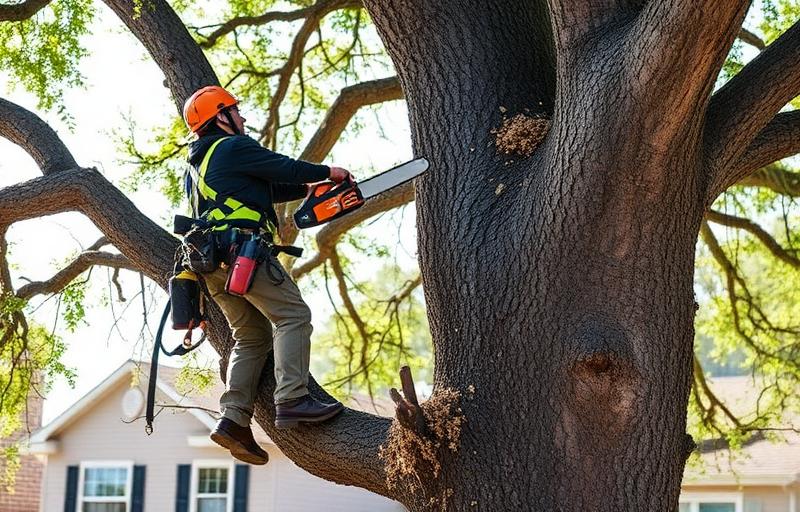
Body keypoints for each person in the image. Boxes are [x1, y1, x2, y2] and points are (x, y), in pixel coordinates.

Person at [182, 85, 347, 465]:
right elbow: (283, 167)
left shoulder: (197, 166)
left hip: (211, 265)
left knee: (251, 336)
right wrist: (329, 172)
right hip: (242, 253)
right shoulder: (232, 147)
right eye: (235, 111)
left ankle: (233, 419)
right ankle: (293, 398)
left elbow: (266, 187)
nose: (242, 118)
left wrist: (309, 186)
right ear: (220, 117)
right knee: (293, 316)